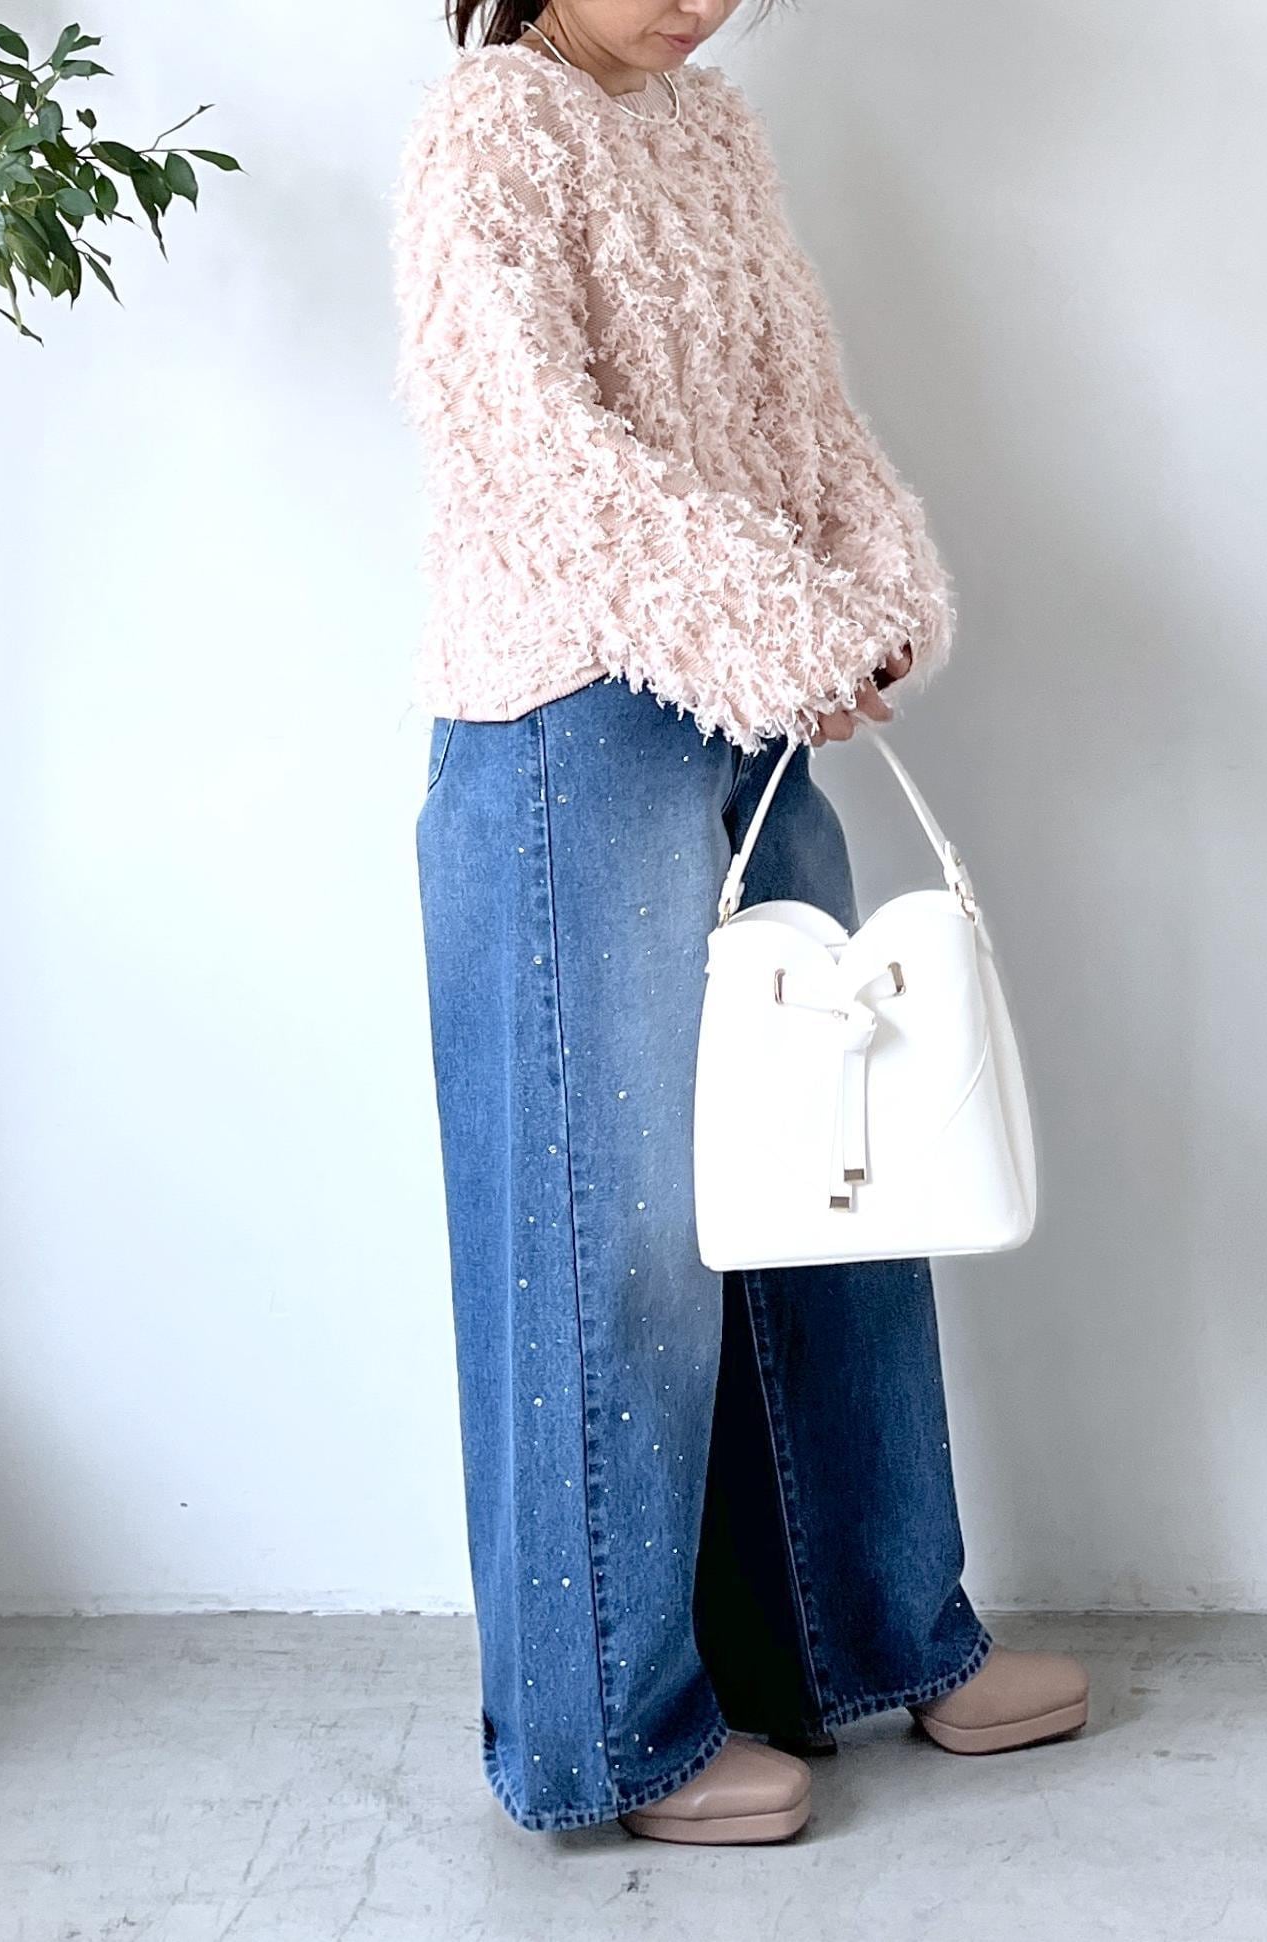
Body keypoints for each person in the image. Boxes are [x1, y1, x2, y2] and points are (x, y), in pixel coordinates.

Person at [391, 0, 1088, 1844]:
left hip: (747, 721)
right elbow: (541, 458)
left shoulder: (711, 129)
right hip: (567, 724)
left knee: (841, 1184)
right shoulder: (491, 125)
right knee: (611, 1240)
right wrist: (785, 629)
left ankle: (886, 1634)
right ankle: (619, 1735)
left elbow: (805, 417)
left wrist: (877, 597)